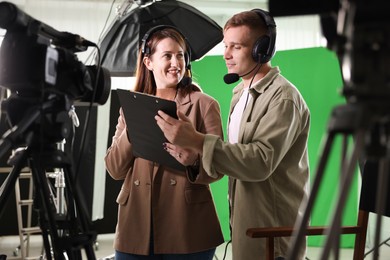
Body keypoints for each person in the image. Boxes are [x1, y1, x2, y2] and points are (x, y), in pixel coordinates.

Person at [155, 9, 310, 260]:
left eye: (236, 47)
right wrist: (194, 157)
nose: (226, 54)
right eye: (226, 45)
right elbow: (233, 160)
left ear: (263, 49)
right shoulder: (240, 93)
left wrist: (196, 139)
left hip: (274, 237)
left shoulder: (283, 98)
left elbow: (260, 162)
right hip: (246, 229)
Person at [104, 25, 224, 259]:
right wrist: (134, 125)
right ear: (148, 62)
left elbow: (218, 166)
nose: (175, 63)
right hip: (135, 227)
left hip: (187, 227)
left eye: (180, 55)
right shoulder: (130, 107)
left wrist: (193, 161)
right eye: (167, 56)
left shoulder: (204, 104)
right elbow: (114, 169)